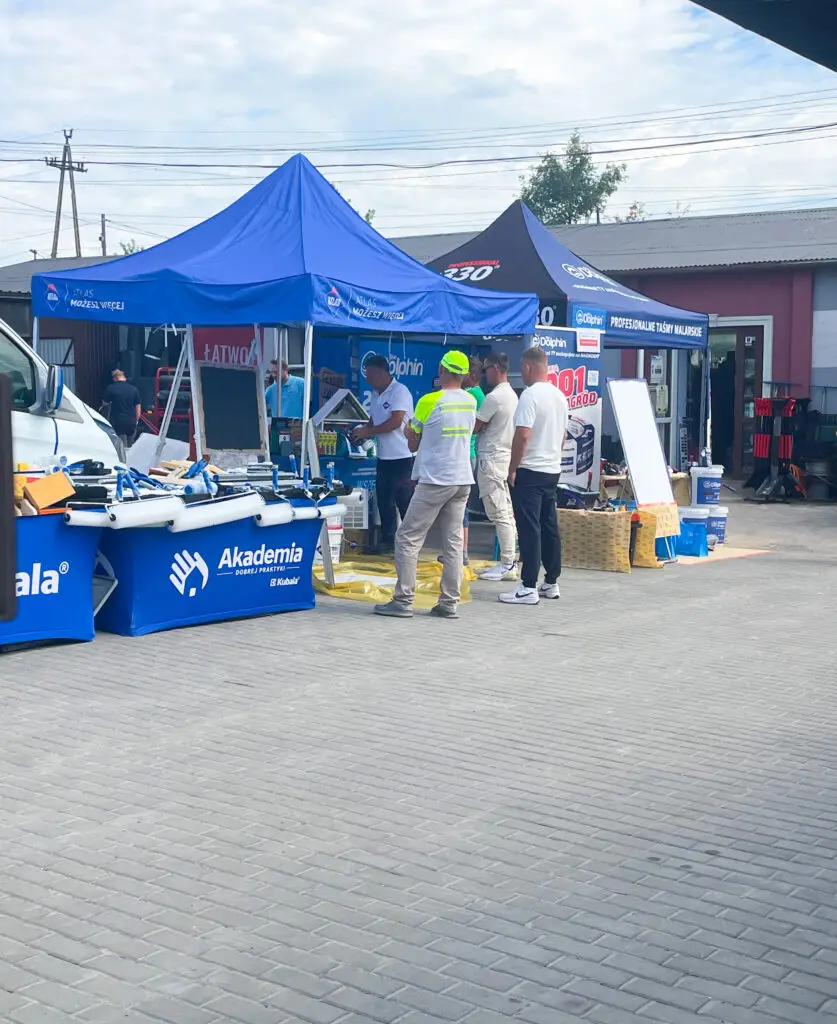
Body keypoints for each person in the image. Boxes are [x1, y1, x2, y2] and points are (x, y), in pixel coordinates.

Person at [375, 350, 476, 620]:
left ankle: (403, 600)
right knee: (453, 543)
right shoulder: (470, 401)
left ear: (442, 371)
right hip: (462, 478)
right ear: (464, 374)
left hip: (435, 478)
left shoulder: (429, 401)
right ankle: (449, 603)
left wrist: (410, 432)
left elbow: (412, 441)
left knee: (407, 537)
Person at [500, 345, 568, 606]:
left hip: (530, 469)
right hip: (552, 469)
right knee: (549, 525)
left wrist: (512, 468)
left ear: (528, 367)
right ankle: (551, 581)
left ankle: (528, 586)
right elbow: (562, 435)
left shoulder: (529, 396)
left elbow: (523, 435)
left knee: (530, 528)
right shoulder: (560, 396)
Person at [353, 354, 414, 554]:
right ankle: (388, 541)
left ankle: (412, 542)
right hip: (384, 457)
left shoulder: (400, 391)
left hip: (402, 457)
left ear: (380, 373)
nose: (367, 380)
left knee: (404, 500)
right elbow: (374, 420)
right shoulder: (377, 394)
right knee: (384, 500)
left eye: (369, 375)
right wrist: (362, 431)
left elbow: (396, 422)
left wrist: (369, 431)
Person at [474, 352, 519, 581]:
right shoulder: (511, 395)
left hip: (491, 458)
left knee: (499, 513)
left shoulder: (495, 397)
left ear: (496, 368)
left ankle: (508, 564)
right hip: (502, 456)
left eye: (486, 369)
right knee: (505, 513)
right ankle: (509, 561)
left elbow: (475, 426)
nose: (484, 374)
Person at [438, 355, 484, 566]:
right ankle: (458, 551)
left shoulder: (471, 396)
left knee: (458, 509)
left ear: (470, 376)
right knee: (458, 507)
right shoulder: (475, 396)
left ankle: (460, 551)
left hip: (464, 455)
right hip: (468, 455)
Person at [101, 369, 141, 461]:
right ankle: (131, 463)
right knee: (131, 447)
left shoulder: (111, 388)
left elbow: (105, 403)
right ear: (124, 377)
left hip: (118, 421)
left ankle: (124, 465)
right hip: (132, 421)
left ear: (114, 378)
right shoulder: (134, 389)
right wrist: (136, 421)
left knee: (122, 447)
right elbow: (138, 407)